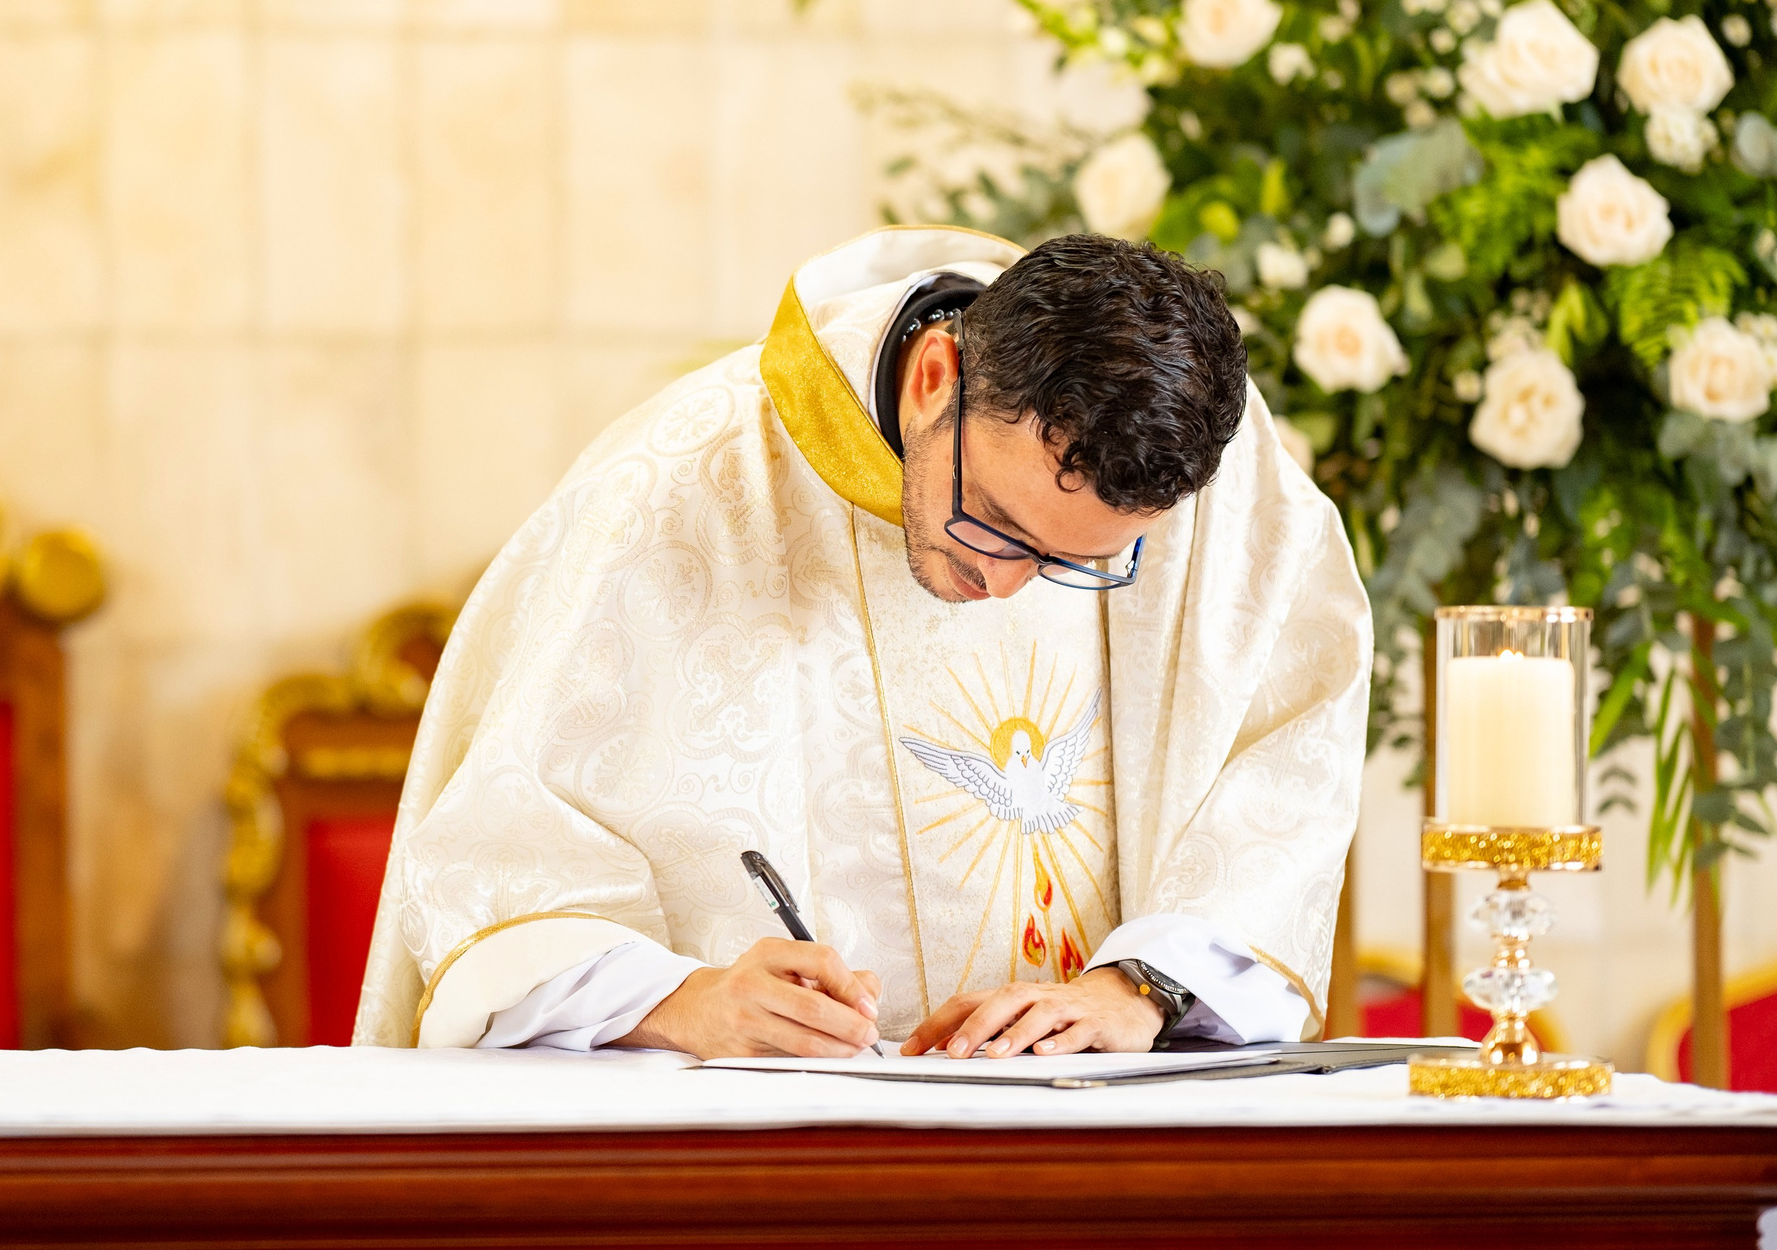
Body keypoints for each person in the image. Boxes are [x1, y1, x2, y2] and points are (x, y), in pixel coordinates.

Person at [352, 226, 1370, 1060]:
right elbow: (498, 869)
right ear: (936, 376)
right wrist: (684, 1002)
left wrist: (1142, 987)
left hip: (1085, 1165)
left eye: (1074, 566)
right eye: (998, 528)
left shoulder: (1214, 487)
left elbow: (1287, 770)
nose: (1006, 585)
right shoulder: (671, 486)